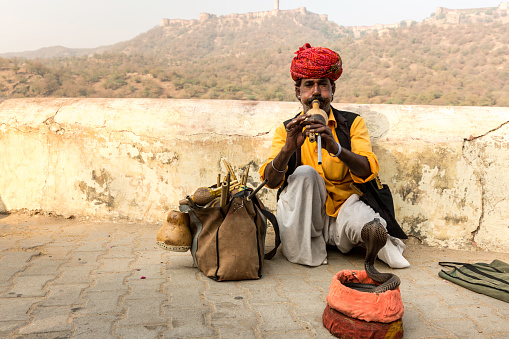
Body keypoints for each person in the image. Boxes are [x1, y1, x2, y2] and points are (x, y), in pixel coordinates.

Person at [259, 43, 409, 269]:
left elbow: (368, 170)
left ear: (333, 90)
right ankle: (306, 251)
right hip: (306, 219)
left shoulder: (352, 124)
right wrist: (288, 148)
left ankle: (377, 241)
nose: (316, 92)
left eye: (323, 85)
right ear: (298, 92)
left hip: (343, 210)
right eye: (309, 85)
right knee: (305, 173)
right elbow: (269, 182)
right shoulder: (286, 130)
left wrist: (336, 148)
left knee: (370, 227)